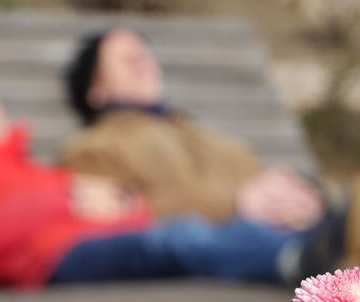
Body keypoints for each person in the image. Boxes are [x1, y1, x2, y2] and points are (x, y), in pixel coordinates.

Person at [0, 65, 337, 289]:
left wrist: (127, 205)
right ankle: (308, 261)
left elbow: (117, 207)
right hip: (52, 261)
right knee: (180, 237)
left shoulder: (28, 165)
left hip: (103, 238)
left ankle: (330, 243)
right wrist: (63, 198)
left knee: (188, 233)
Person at [61, 27, 328, 233]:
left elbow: (255, 179)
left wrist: (294, 196)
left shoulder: (196, 131)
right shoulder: (94, 147)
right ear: (96, 91)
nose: (140, 62)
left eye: (143, 54)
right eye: (125, 59)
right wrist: (237, 204)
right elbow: (122, 218)